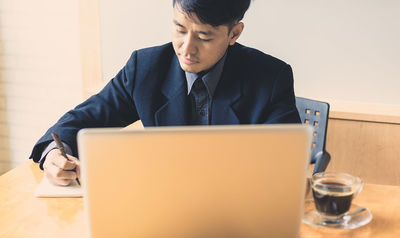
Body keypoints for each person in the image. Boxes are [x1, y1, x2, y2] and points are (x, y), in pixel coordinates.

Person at [30, 0, 301, 186]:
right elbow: (79, 121)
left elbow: (287, 164)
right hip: (162, 206)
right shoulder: (145, 68)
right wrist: (55, 155)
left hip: (238, 214)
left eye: (204, 37)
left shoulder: (270, 77)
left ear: (235, 33)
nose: (186, 48)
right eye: (179, 30)